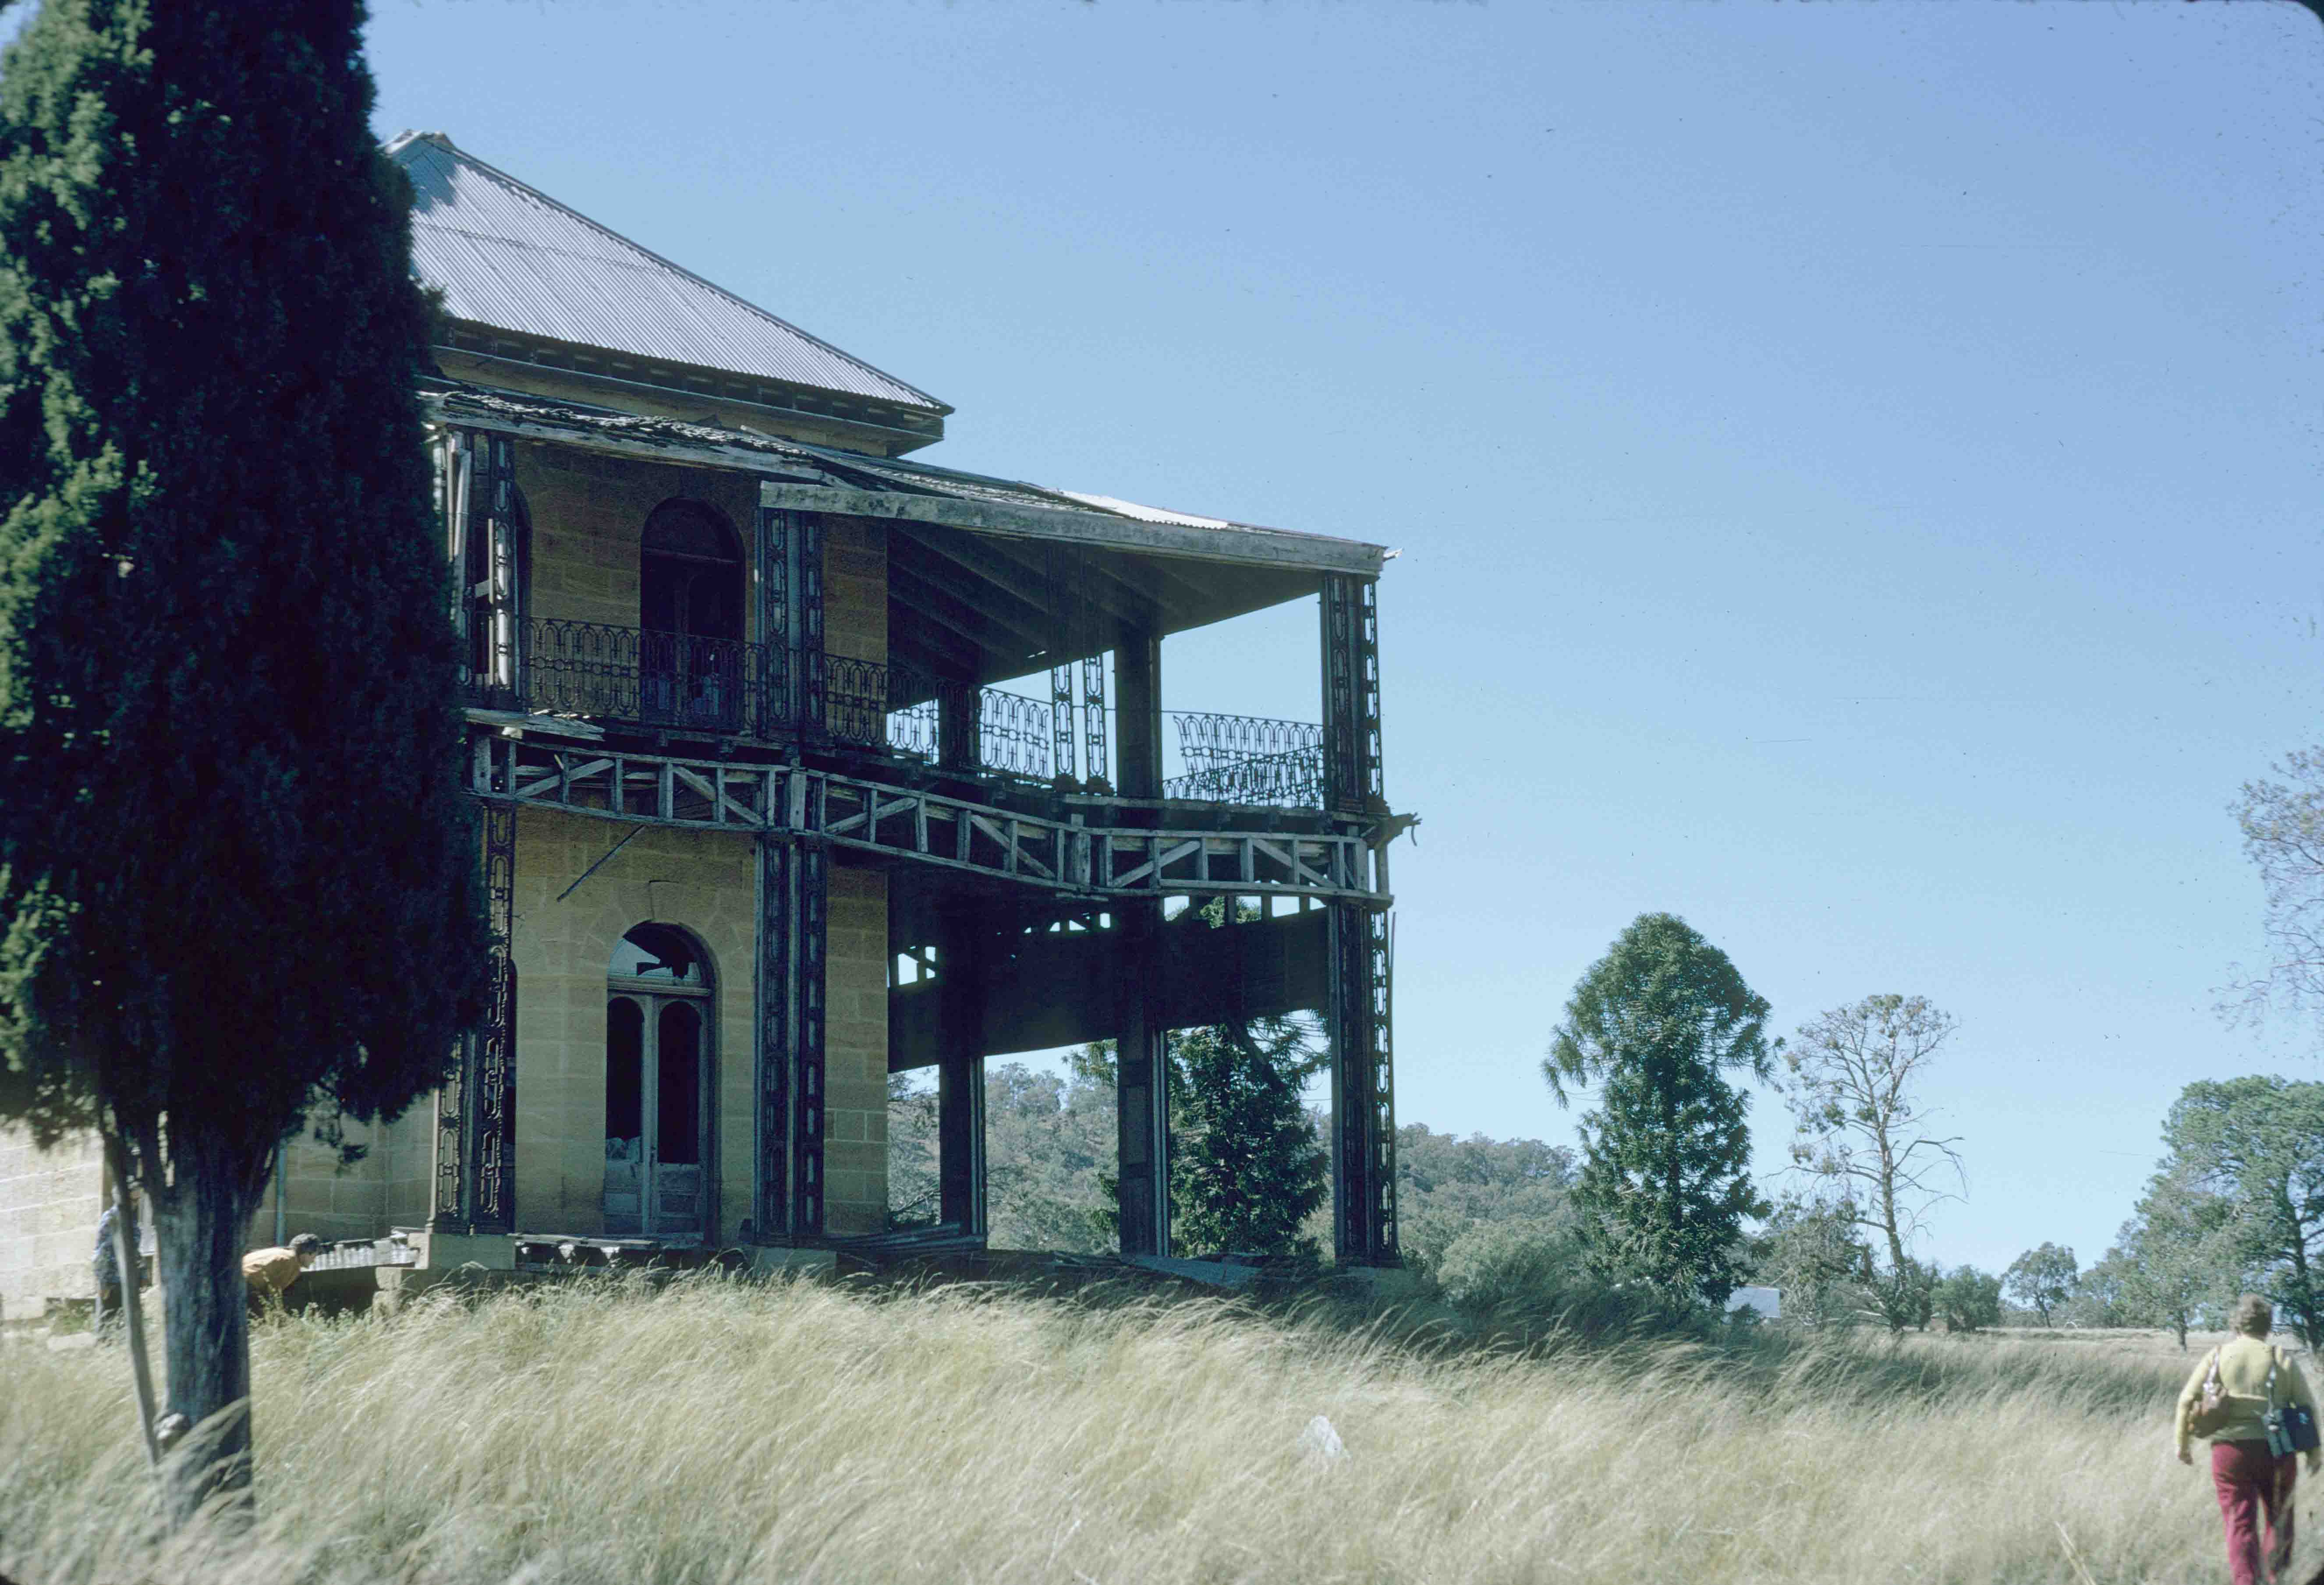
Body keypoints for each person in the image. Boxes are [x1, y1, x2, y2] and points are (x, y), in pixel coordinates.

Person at [2177, 1293, 2323, 1585]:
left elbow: (2186, 1400)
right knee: (2279, 1520)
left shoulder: (2218, 1355)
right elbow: (2307, 1407)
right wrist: (2314, 1453)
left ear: (2236, 1324)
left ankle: (2245, 1581)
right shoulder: (2280, 1357)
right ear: (2268, 1325)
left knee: (2239, 1522)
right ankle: (2275, 1578)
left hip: (2229, 1453)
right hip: (2278, 1451)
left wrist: (2182, 1444)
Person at [242, 1232, 323, 1313]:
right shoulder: (292, 1262)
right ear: (306, 1254)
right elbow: (274, 1296)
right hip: (247, 1285)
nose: (313, 1261)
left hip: (237, 1277)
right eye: (314, 1257)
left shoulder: (280, 1252)